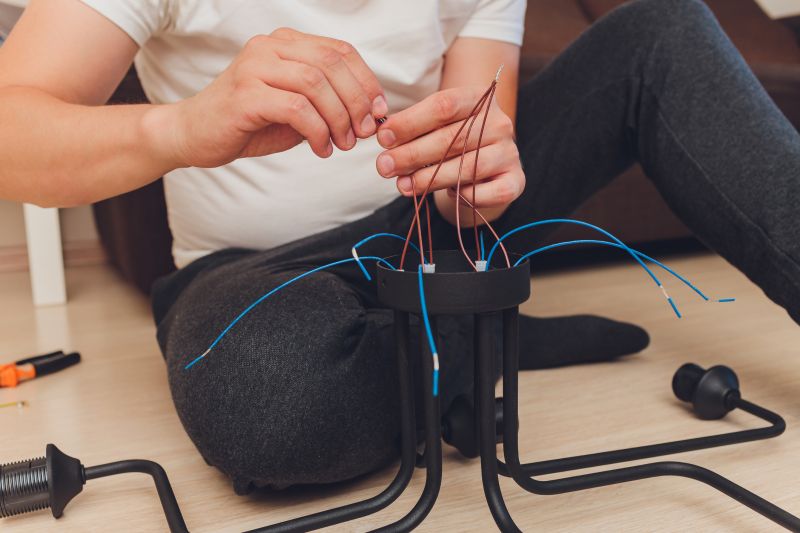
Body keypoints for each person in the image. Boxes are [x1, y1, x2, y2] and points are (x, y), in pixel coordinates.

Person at [0, 0, 798, 494]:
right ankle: (478, 346)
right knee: (264, 401)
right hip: (255, 274)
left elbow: (476, 143)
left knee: (665, 31)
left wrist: (476, 173)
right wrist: (181, 127)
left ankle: (457, 341)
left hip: (430, 239)